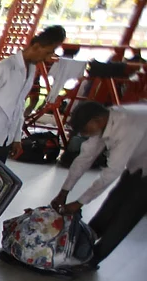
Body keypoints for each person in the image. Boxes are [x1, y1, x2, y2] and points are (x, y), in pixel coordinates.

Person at [51, 101, 147, 269]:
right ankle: (81, 246)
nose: (83, 133)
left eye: (84, 129)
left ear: (97, 119)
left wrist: (79, 202)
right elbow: (84, 159)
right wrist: (64, 192)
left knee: (127, 214)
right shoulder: (105, 122)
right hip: (140, 162)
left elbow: (112, 171)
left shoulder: (126, 126)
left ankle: (92, 259)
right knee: (112, 204)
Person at [0, 25, 67, 163]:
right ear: (36, 47)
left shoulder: (30, 70)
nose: (48, 58)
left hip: (6, 139)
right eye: (48, 52)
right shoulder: (3, 68)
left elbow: (19, 106)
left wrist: (17, 138)